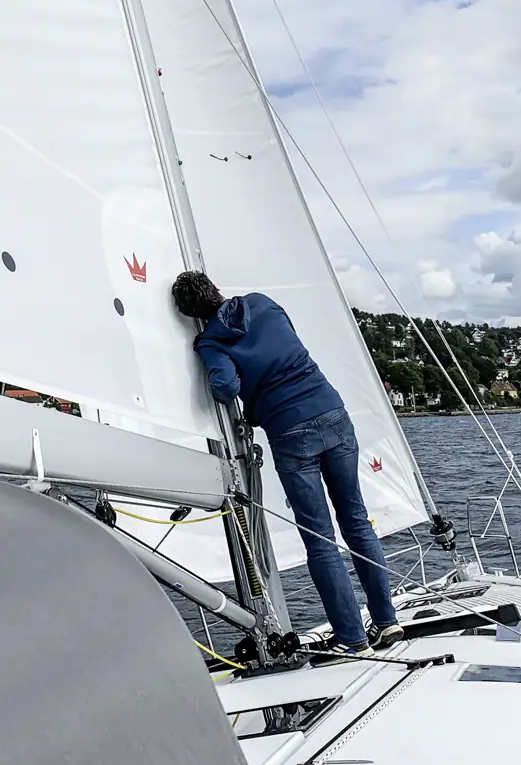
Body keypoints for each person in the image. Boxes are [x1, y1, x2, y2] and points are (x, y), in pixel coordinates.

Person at [172, 270, 404, 666]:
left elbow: (225, 387)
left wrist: (221, 364)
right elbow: (287, 337)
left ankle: (353, 641)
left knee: (320, 538)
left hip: (291, 432)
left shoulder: (210, 342)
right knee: (356, 521)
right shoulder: (263, 303)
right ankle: (386, 621)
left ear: (191, 314)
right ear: (216, 289)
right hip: (333, 413)